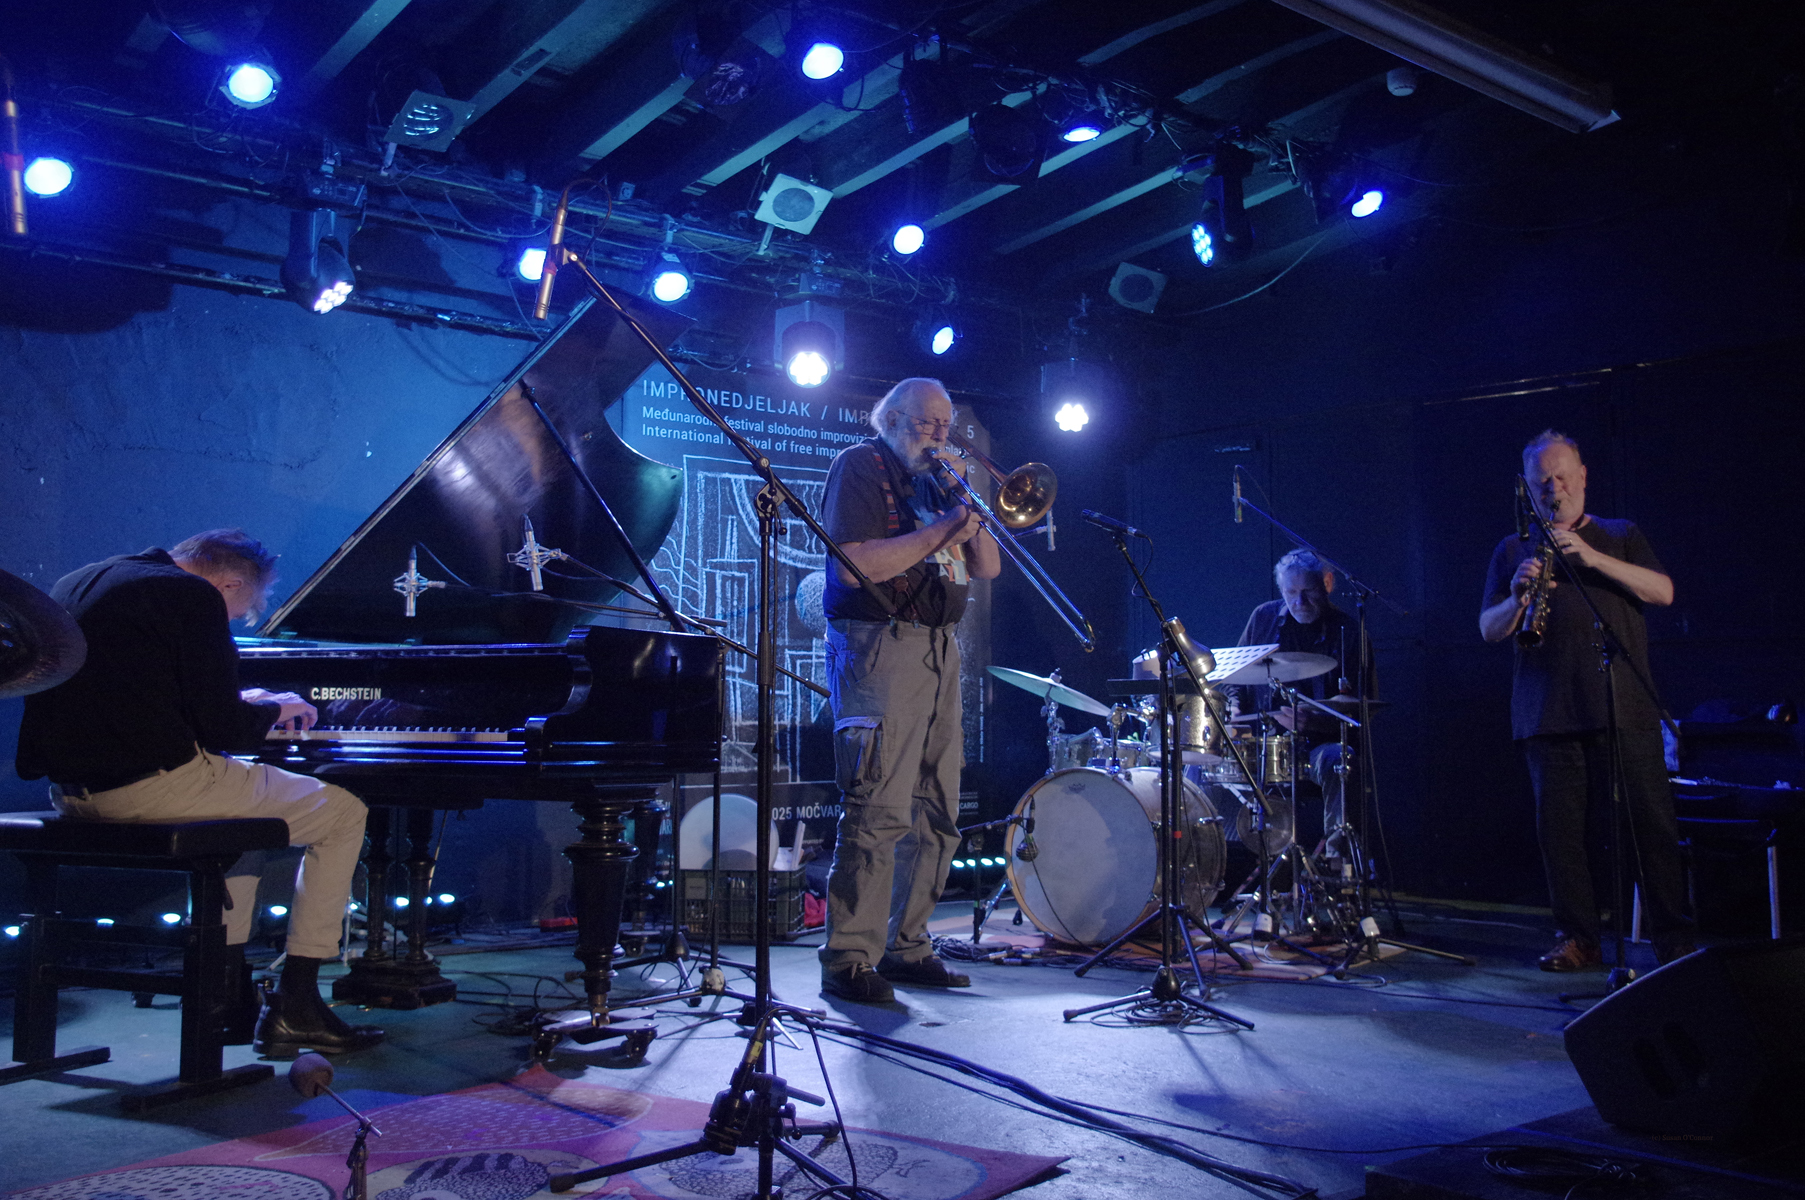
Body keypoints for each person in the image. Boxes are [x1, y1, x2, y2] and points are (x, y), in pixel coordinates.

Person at [15, 529, 384, 1055]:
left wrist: (240, 699)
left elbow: (134, 687)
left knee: (245, 819)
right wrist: (273, 708)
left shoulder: (82, 580)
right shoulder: (191, 595)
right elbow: (224, 732)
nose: (233, 620)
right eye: (240, 611)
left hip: (71, 792)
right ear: (228, 583)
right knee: (343, 812)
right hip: (149, 790)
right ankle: (299, 1002)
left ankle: (226, 998)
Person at [1480, 431, 1693, 972]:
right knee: (1561, 837)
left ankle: (1674, 940)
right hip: (1546, 711)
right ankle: (1578, 937)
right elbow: (1489, 630)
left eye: (1561, 477)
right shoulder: (1512, 548)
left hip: (1623, 706)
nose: (1553, 488)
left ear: (1582, 476)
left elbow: (1663, 592)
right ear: (1528, 489)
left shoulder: (1620, 534)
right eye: (1541, 481)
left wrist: (1592, 558)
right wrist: (1515, 598)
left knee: (1651, 828)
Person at [817, 378, 1000, 1003]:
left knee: (937, 809)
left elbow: (990, 567)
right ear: (891, 420)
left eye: (946, 425)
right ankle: (848, 958)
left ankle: (907, 946)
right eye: (926, 423)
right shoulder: (859, 467)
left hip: (940, 646)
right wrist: (945, 528)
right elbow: (853, 564)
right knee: (879, 807)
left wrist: (969, 515)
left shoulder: (941, 480)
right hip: (880, 643)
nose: (940, 435)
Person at [1234, 549, 1374, 854]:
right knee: (1198, 763)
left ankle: (1339, 861)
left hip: (1317, 749)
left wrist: (1312, 721)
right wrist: (1232, 709)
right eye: (1290, 592)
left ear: (1327, 583)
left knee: (1341, 760)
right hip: (1264, 746)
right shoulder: (1264, 618)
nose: (1299, 602)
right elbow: (1235, 676)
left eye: (1308, 591)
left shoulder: (1348, 631)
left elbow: (1362, 706)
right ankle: (1213, 869)